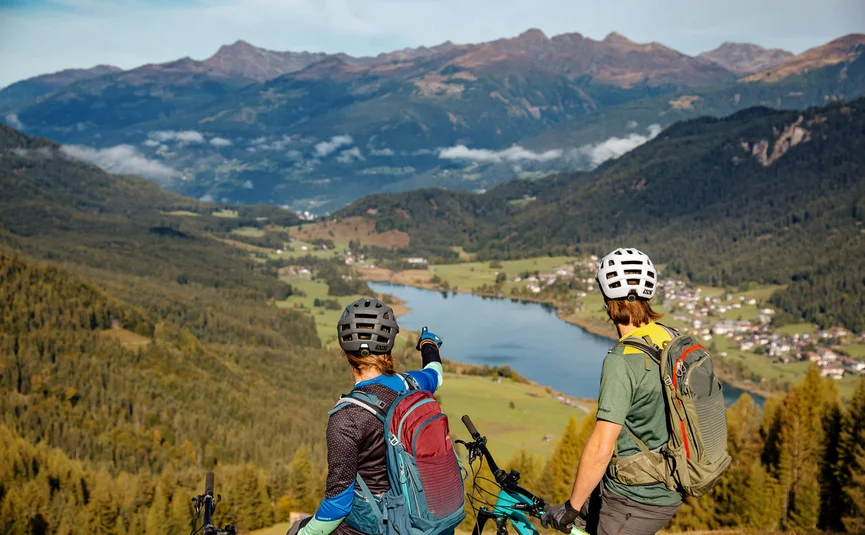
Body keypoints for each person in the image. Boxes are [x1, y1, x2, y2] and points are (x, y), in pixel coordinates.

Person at [543, 248, 682, 535]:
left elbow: (601, 447)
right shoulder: (668, 337)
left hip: (636, 500)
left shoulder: (623, 360)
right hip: (669, 480)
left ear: (608, 299)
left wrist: (572, 507)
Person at [288, 297, 445, 535]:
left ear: (346, 351)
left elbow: (337, 507)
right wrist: (428, 344)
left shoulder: (346, 419)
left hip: (373, 525)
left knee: (297, 528)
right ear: (388, 345)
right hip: (417, 512)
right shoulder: (412, 383)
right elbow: (435, 373)